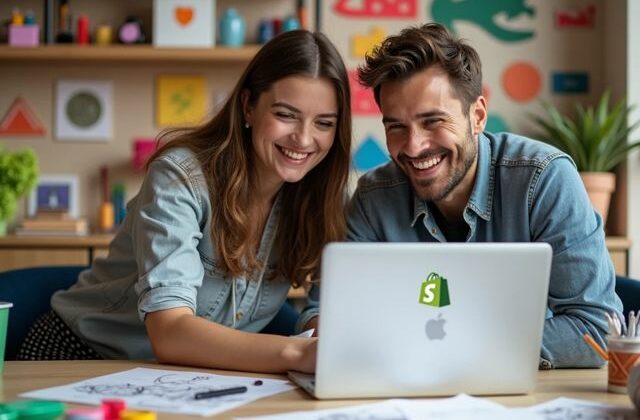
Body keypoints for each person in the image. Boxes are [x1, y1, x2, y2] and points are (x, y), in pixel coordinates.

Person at [17, 29, 352, 373]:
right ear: (248, 106)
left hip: (189, 377)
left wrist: (323, 329)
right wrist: (298, 353)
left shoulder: (323, 198)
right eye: (286, 115)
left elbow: (321, 305)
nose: (304, 138)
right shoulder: (180, 177)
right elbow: (170, 332)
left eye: (324, 123)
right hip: (82, 357)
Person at [298, 23, 622, 369]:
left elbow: (596, 328)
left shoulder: (543, 180)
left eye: (433, 121)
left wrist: (452, 348)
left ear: (477, 116)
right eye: (396, 126)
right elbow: (320, 315)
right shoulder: (374, 198)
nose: (414, 146)